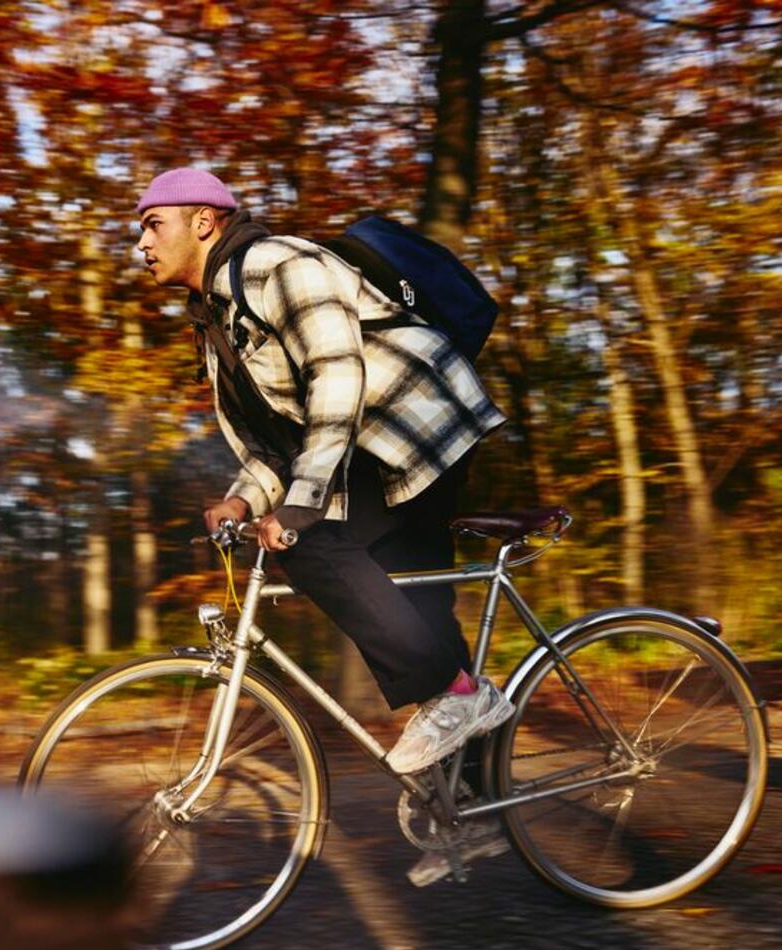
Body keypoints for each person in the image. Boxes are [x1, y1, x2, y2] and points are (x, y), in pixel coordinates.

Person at [136, 167, 513, 881]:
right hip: (368, 455)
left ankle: (462, 698)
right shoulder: (218, 323)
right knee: (413, 609)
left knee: (308, 545)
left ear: (204, 222)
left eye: (152, 224)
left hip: (416, 429)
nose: (139, 244)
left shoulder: (277, 265)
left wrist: (299, 504)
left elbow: (338, 376)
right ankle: (468, 807)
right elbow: (276, 443)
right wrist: (244, 499)